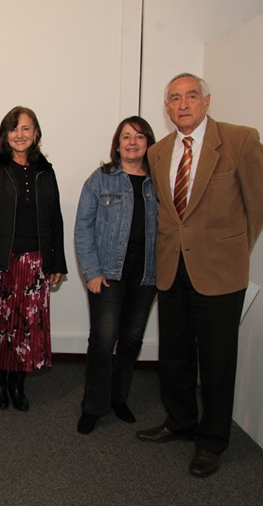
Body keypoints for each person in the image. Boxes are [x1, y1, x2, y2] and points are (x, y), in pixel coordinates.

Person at [137, 73, 263, 477]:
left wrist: (232, 250)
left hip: (219, 273)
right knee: (175, 354)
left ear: (207, 101)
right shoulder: (159, 152)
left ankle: (212, 442)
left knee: (217, 362)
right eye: (174, 99)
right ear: (166, 108)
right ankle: (180, 421)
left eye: (191, 96)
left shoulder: (239, 140)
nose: (183, 105)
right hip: (171, 270)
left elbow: (261, 203)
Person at [0, 106, 67, 411]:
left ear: (36, 133)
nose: (19, 135)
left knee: (26, 327)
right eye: (13, 129)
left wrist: (57, 263)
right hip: (0, 261)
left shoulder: (45, 170)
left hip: (36, 262)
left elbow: (55, 217)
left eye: (26, 128)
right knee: (0, 325)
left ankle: (17, 384)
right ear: (5, 134)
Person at [74, 116, 158, 434]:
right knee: (103, 340)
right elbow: (83, 228)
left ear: (148, 143)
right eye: (126, 136)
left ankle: (118, 398)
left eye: (139, 136)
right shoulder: (101, 179)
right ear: (117, 144)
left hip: (147, 274)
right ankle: (93, 405)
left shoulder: (158, 182)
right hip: (108, 272)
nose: (132, 142)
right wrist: (92, 271)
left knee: (131, 340)